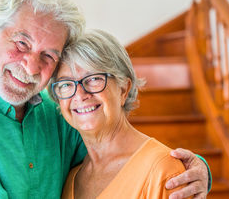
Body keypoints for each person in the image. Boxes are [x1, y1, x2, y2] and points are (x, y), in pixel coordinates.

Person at [0, 0, 210, 199]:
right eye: (21, 43)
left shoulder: (58, 116)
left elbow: (119, 155)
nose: (31, 66)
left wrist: (193, 171)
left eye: (48, 55)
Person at [49, 29, 201, 198]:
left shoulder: (163, 171)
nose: (79, 94)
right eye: (65, 84)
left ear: (124, 89)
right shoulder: (71, 178)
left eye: (93, 79)